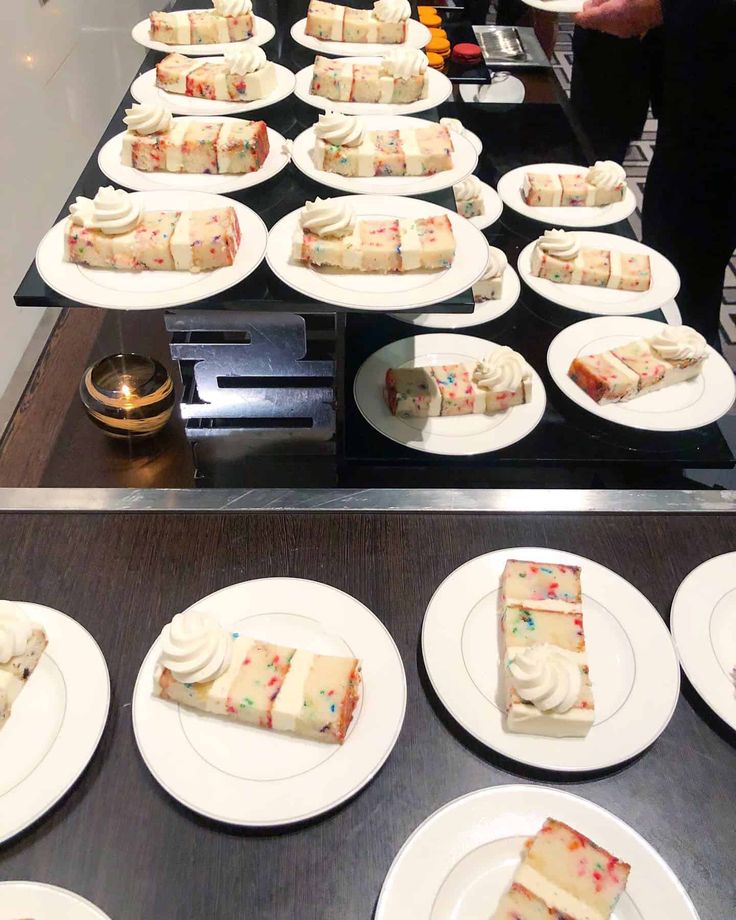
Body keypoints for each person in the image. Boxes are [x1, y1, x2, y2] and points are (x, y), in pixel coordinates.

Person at [576, 0, 736, 349]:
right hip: (684, 64)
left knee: (685, 254)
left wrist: (660, 8)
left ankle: (681, 362)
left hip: (718, 90)